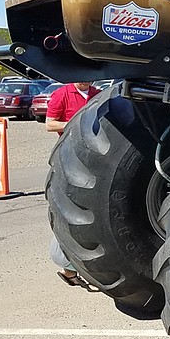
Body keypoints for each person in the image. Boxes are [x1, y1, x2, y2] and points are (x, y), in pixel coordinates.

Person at [46, 81, 101, 289]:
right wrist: (79, 125)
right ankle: (67, 265)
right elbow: (50, 124)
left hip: (94, 157)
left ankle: (74, 267)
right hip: (70, 155)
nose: (84, 80)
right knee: (69, 209)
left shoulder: (98, 93)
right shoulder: (62, 94)